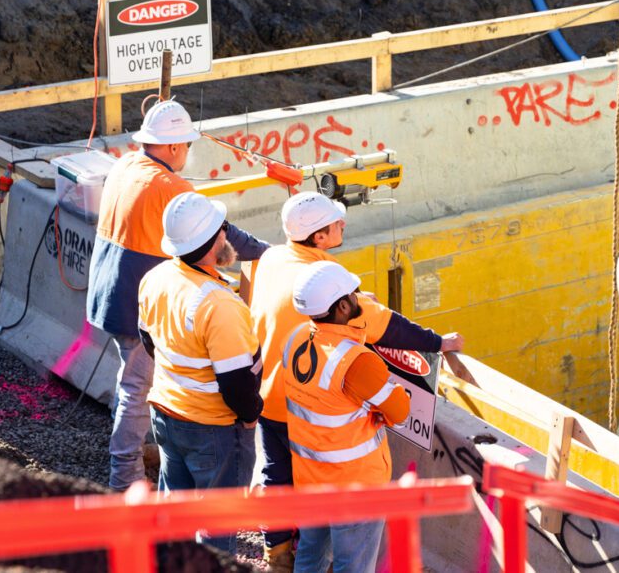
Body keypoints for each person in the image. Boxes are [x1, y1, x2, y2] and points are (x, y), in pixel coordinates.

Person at [249, 191, 464, 571]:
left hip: (275, 400)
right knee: (351, 550)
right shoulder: (349, 340)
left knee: (279, 480)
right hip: (335, 448)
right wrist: (438, 342)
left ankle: (278, 555)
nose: (343, 225)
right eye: (335, 223)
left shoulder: (270, 260)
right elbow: (390, 329)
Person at [86, 99, 269, 491]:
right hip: (132, 299)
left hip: (108, 290)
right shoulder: (170, 184)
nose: (187, 151)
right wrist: (273, 255)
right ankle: (125, 479)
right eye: (185, 143)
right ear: (171, 147)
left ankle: (139, 455)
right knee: (137, 387)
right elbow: (225, 235)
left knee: (131, 381)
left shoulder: (126, 164)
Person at [138, 191, 264, 554]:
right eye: (223, 229)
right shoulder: (220, 304)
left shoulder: (156, 278)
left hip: (166, 413)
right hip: (213, 429)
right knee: (216, 532)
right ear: (213, 242)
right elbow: (237, 383)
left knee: (173, 518)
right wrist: (251, 417)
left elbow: (149, 341)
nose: (228, 235)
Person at [285, 261, 410, 573]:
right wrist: (384, 405)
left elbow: (327, 400)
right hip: (355, 486)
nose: (359, 299)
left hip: (310, 476)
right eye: (354, 295)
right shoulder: (356, 362)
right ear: (342, 306)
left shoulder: (297, 337)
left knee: (310, 557)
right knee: (352, 566)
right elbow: (400, 411)